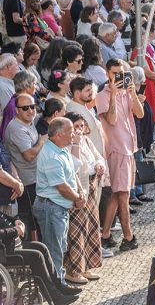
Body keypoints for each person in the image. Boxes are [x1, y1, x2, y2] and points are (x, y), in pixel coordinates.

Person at [97, 58, 144, 253]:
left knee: (118, 195)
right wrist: (114, 95)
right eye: (115, 73)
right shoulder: (102, 96)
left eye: (121, 73)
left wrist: (132, 93)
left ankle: (105, 235)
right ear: (108, 74)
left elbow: (140, 114)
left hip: (127, 148)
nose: (118, 76)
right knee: (123, 196)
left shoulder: (127, 93)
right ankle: (128, 236)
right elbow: (112, 119)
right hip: (116, 149)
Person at [32, 117, 84, 287]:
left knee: (59, 247)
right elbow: (61, 186)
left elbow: (71, 173)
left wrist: (80, 190)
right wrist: (77, 198)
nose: (74, 134)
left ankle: (58, 284)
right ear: (59, 134)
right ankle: (57, 287)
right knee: (54, 249)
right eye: (70, 131)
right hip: (51, 208)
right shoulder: (51, 155)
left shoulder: (61, 149)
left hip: (58, 207)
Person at [0, 210, 81, 304]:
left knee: (42, 247)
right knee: (36, 256)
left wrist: (16, 221)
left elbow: (3, 216)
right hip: (4, 253)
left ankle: (59, 286)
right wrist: (15, 230)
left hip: (12, 245)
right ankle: (55, 296)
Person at [62, 112, 105, 284]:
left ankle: (85, 266)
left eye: (82, 126)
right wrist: (76, 144)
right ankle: (73, 270)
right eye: (76, 127)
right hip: (79, 190)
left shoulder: (86, 140)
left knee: (91, 226)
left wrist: (99, 165)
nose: (80, 130)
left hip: (92, 187)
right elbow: (74, 167)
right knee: (77, 229)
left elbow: (97, 156)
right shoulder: (68, 145)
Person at [3, 93, 46, 240]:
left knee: (37, 221)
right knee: (30, 222)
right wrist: (42, 141)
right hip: (26, 182)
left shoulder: (29, 122)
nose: (30, 111)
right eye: (25, 108)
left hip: (33, 178)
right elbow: (28, 155)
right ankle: (32, 258)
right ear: (17, 110)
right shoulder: (16, 128)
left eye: (32, 107)